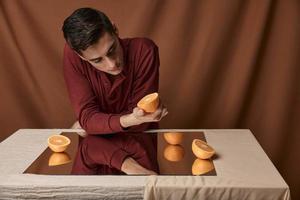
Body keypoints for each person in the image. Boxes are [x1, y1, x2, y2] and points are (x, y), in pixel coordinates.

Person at [62, 7, 168, 175]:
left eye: (111, 49)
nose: (111, 64)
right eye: (97, 60)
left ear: (115, 29)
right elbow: (89, 120)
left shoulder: (144, 51)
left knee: (90, 142)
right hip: (94, 155)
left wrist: (95, 125)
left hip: (133, 147)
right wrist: (130, 119)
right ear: (81, 57)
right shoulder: (72, 56)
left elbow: (140, 126)